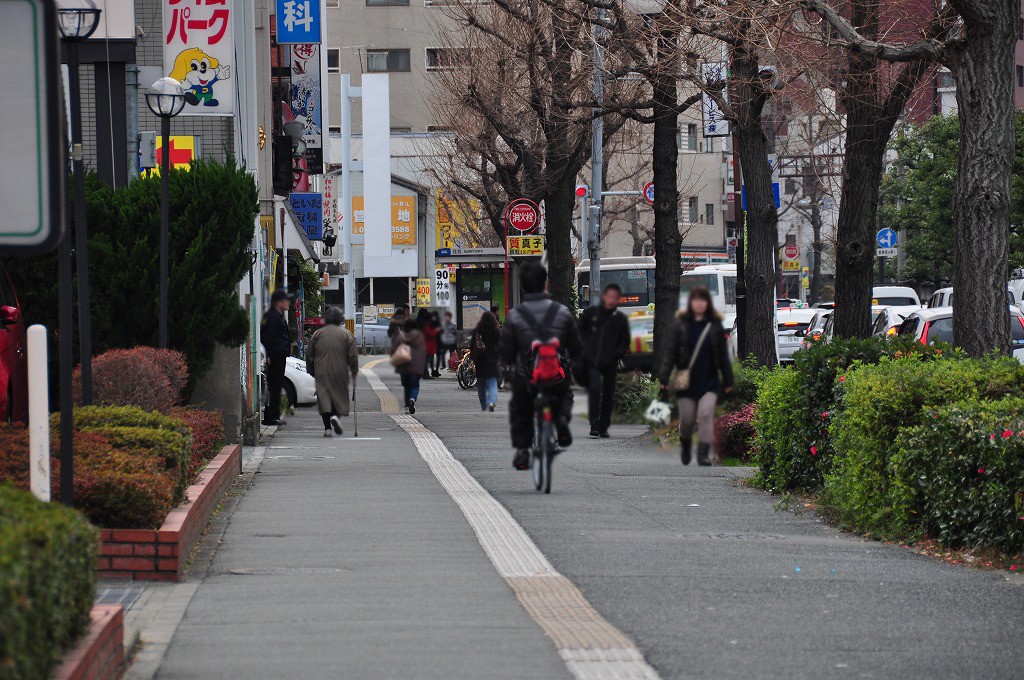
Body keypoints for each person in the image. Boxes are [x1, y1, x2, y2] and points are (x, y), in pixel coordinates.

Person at [498, 261, 583, 470]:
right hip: (555, 374)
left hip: (525, 377)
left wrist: (505, 370)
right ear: (545, 284)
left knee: (520, 408)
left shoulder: (515, 316)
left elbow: (506, 351)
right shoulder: (562, 313)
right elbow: (576, 347)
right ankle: (561, 423)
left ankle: (522, 450)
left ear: (524, 287)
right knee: (565, 395)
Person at [656, 286, 734, 466]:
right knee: (688, 420)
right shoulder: (681, 326)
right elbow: (670, 353)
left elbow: (723, 356)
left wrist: (728, 381)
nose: (700, 303)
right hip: (686, 382)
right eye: (696, 300)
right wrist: (664, 379)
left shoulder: (714, 326)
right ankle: (685, 444)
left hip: (710, 380)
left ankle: (702, 454)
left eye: (703, 300)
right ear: (691, 303)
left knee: (706, 414)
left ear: (707, 303)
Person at [578, 283, 631, 438]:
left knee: (608, 393)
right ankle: (594, 424)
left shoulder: (620, 318)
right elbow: (580, 333)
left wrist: (617, 353)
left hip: (610, 361)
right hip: (592, 360)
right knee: (594, 389)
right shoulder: (590, 314)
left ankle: (604, 426)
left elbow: (624, 339)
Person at [306, 306, 359, 437]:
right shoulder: (347, 334)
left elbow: (309, 354)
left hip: (321, 372)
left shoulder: (317, 334)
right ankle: (336, 416)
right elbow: (353, 355)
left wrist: (311, 370)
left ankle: (327, 428)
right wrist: (354, 370)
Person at [260, 290, 292, 427]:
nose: (288, 303)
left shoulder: (277, 315)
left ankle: (273, 415)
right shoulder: (273, 317)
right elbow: (269, 339)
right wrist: (273, 355)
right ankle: (271, 416)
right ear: (279, 302)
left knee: (276, 386)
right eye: (286, 300)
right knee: (274, 386)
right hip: (275, 357)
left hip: (278, 356)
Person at [392, 317, 426, 414]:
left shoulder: (401, 336)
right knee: (415, 385)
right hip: (416, 366)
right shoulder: (420, 336)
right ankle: (412, 399)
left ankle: (407, 405)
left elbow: (395, 350)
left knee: (406, 386)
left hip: (404, 366)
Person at [470, 311, 501, 411]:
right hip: (493, 359)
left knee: (481, 384)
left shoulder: (478, 330)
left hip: (480, 360)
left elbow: (472, 345)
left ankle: (483, 406)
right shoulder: (496, 330)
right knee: (492, 383)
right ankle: (491, 401)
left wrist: (473, 355)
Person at [421, 310, 441, 378]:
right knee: (426, 360)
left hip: (429, 344)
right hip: (428, 345)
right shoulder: (426, 325)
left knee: (427, 360)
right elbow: (430, 334)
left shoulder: (426, 324)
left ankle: (426, 373)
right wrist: (436, 331)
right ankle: (425, 374)